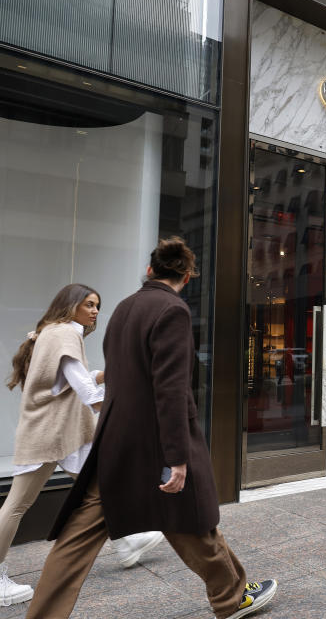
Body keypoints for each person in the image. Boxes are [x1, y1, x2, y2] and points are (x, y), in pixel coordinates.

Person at [25, 238, 277, 619]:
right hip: (156, 442)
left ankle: (42, 615)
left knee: (77, 538)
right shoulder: (172, 310)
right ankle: (231, 597)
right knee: (191, 518)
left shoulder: (125, 308)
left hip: (115, 441)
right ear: (187, 276)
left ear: (150, 270)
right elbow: (171, 388)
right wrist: (177, 456)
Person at [1, 284, 163, 607]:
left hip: (60, 432)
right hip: (51, 434)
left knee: (100, 487)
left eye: (98, 306)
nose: (95, 311)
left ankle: (127, 540)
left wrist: (104, 375)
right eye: (89, 304)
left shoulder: (52, 332)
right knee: (17, 504)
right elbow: (85, 392)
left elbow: (66, 380)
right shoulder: (65, 335)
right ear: (70, 304)